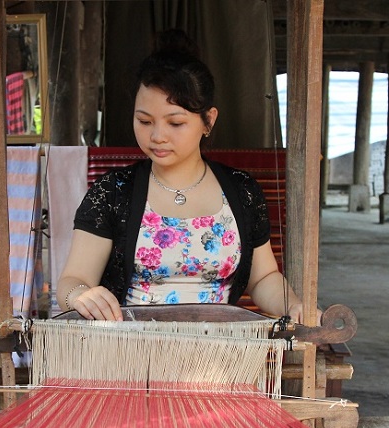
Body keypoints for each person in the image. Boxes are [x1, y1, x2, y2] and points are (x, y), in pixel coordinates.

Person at [58, 29, 308, 324]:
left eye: (175, 123)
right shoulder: (113, 192)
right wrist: (80, 295)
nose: (157, 136)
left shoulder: (242, 191)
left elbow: (263, 277)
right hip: (130, 353)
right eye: (144, 121)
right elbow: (74, 278)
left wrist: (293, 305)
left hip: (219, 355)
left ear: (208, 121)